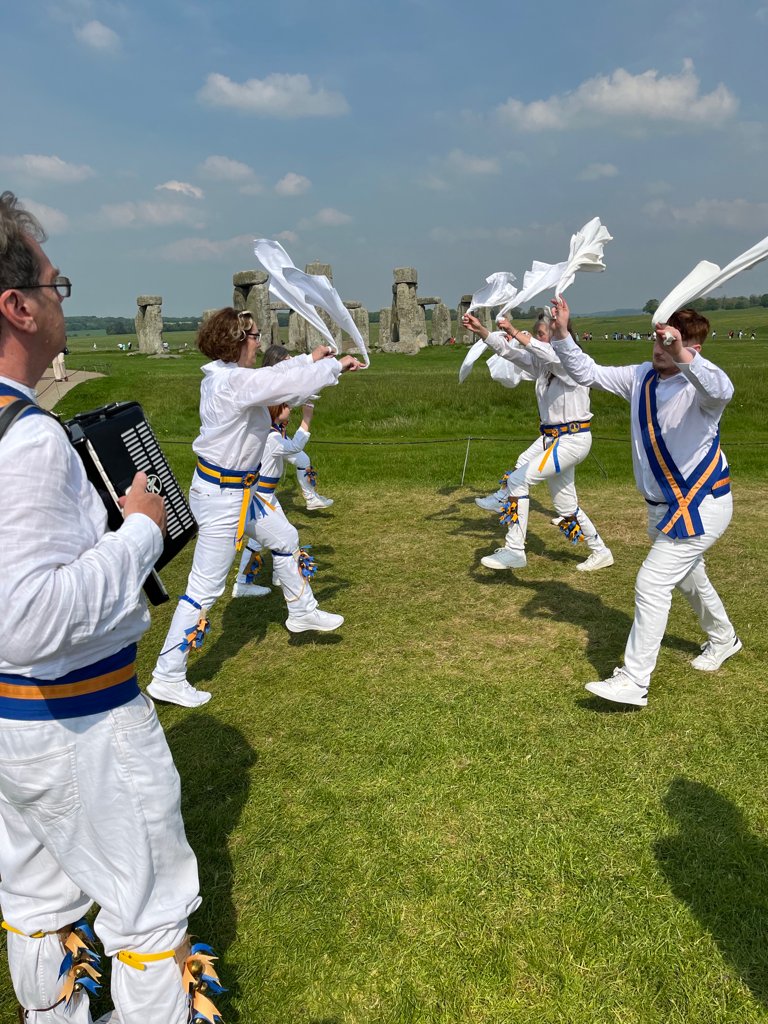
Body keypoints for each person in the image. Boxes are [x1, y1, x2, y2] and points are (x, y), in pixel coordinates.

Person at [0, 192, 206, 1022]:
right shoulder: (28, 438)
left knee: (38, 893)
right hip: (79, 719)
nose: (61, 302)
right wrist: (137, 533)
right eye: (57, 287)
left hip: (10, 724)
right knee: (149, 909)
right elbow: (28, 617)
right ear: (16, 306)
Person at [149, 311, 362, 709]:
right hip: (224, 498)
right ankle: (167, 675)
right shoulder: (231, 382)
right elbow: (274, 384)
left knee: (285, 538)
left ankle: (301, 610)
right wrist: (333, 365)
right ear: (238, 339)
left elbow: (276, 383)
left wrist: (312, 361)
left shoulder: (227, 378)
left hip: (236, 493)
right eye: (255, 336)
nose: (259, 343)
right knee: (203, 589)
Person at [550, 295, 740, 707]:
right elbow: (589, 372)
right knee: (691, 579)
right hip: (661, 506)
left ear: (693, 349)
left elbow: (722, 388)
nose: (659, 350)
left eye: (668, 344)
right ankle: (724, 639)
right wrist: (563, 333)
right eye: (656, 343)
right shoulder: (640, 376)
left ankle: (634, 680)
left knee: (651, 583)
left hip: (701, 504)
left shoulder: (702, 390)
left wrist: (681, 353)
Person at [462, 311, 613, 573]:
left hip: (572, 439)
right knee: (565, 504)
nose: (535, 338)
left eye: (541, 334)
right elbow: (512, 354)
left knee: (519, 479)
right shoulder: (544, 366)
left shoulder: (571, 362)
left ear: (558, 336)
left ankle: (515, 550)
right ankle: (601, 551)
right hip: (553, 438)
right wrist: (483, 332)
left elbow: (549, 355)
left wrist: (512, 330)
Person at [232, 401, 343, 629]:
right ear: (275, 410)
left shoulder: (271, 431)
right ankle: (250, 583)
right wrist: (307, 418)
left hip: (265, 495)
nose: (290, 409)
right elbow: (294, 447)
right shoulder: (271, 437)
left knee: (280, 539)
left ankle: (254, 581)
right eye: (286, 406)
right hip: (262, 497)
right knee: (279, 538)